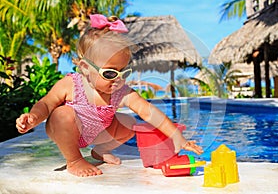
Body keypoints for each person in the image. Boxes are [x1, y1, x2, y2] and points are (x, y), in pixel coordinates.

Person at [16, 14, 203, 177]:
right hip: (65, 130)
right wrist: (34, 117)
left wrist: (177, 137)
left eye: (124, 72)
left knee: (131, 124)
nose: (118, 79)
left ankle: (100, 152)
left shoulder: (120, 91)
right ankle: (74, 160)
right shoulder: (71, 84)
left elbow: (149, 111)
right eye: (111, 73)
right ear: (85, 68)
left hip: (96, 133)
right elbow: (47, 104)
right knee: (62, 114)